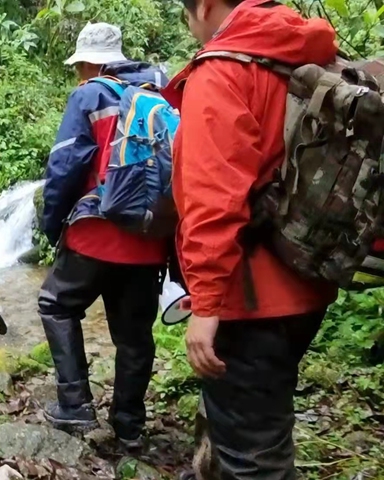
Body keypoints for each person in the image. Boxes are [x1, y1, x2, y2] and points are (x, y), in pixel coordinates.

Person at [163, 0, 338, 477]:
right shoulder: (307, 53)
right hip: (308, 277)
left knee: (258, 462)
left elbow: (212, 199)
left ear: (202, 6)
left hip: (251, 296)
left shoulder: (223, 72)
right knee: (250, 430)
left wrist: (205, 305)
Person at [38, 22, 169, 445]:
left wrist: (52, 223)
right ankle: (129, 424)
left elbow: (64, 167)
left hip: (96, 233)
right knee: (134, 335)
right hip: (149, 237)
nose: (78, 74)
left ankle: (75, 407)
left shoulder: (90, 95)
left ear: (91, 63)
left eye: (80, 66)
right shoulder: (159, 93)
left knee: (55, 305)